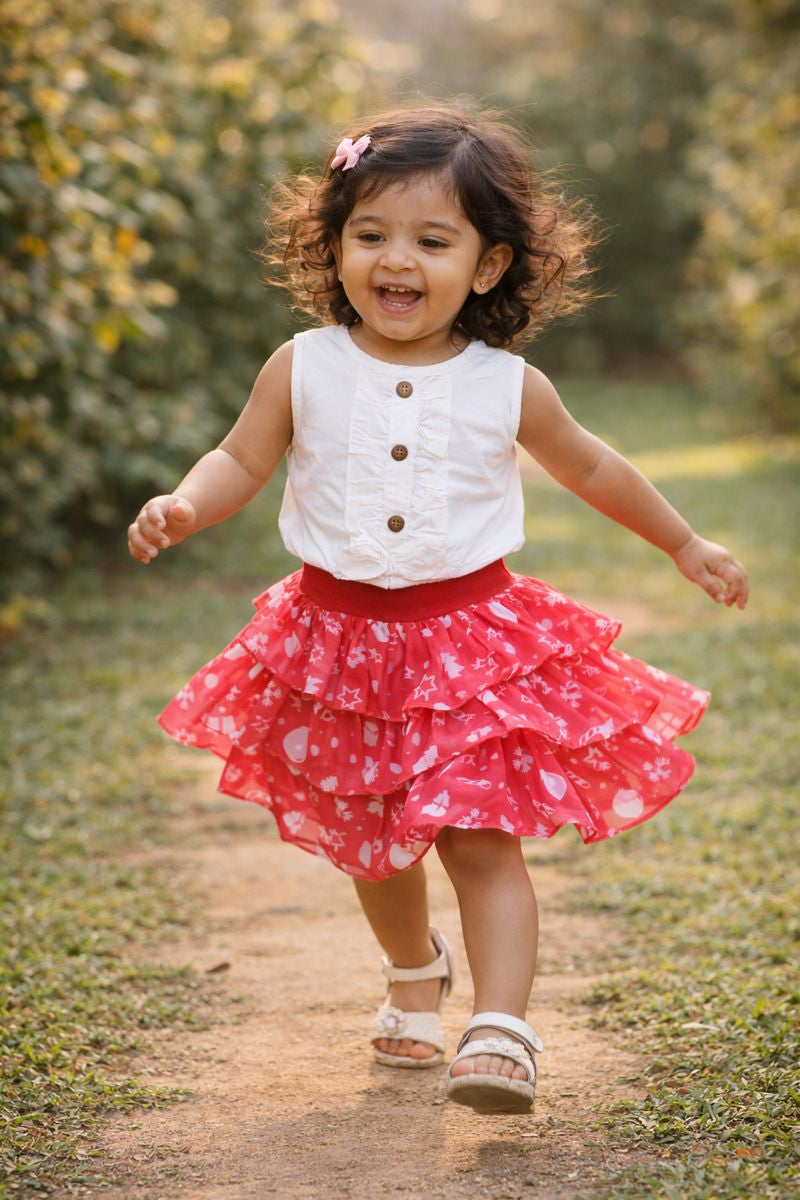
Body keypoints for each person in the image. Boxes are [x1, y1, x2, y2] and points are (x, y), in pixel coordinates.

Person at [127, 106, 749, 1115]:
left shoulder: (505, 384)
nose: (394, 260)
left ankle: (500, 1030)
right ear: (333, 248)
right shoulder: (304, 365)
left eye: (430, 239)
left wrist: (682, 541)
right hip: (336, 647)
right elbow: (242, 457)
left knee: (475, 836)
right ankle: (415, 968)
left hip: (470, 645)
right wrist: (185, 504)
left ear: (488, 264)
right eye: (368, 234)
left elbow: (591, 465)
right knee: (374, 845)